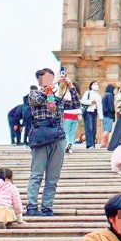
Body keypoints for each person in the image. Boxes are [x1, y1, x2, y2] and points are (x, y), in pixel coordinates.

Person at [27, 67, 80, 217]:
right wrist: (52, 85)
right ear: (39, 80)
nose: (51, 79)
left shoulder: (57, 98)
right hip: (41, 138)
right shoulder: (34, 94)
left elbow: (75, 104)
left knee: (53, 177)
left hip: (57, 138)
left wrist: (70, 86)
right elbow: (39, 100)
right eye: (47, 77)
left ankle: (47, 207)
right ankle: (32, 206)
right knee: (37, 174)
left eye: (52, 76)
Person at [81, 81, 102, 150]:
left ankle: (93, 144)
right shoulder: (88, 93)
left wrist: (101, 116)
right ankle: (89, 144)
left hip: (95, 112)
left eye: (97, 84)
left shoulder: (98, 95)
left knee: (94, 129)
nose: (96, 85)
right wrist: (90, 102)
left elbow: (100, 106)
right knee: (89, 128)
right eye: (94, 84)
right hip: (88, 111)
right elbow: (82, 101)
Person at [62, 82, 81, 154]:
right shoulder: (78, 96)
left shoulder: (66, 95)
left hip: (67, 115)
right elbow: (79, 106)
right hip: (75, 116)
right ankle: (71, 147)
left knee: (66, 131)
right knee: (72, 133)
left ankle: (67, 143)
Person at [100, 84, 117, 148]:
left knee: (107, 130)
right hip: (109, 115)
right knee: (107, 130)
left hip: (106, 115)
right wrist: (113, 111)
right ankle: (102, 143)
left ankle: (105, 143)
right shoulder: (109, 95)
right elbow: (111, 106)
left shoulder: (105, 95)